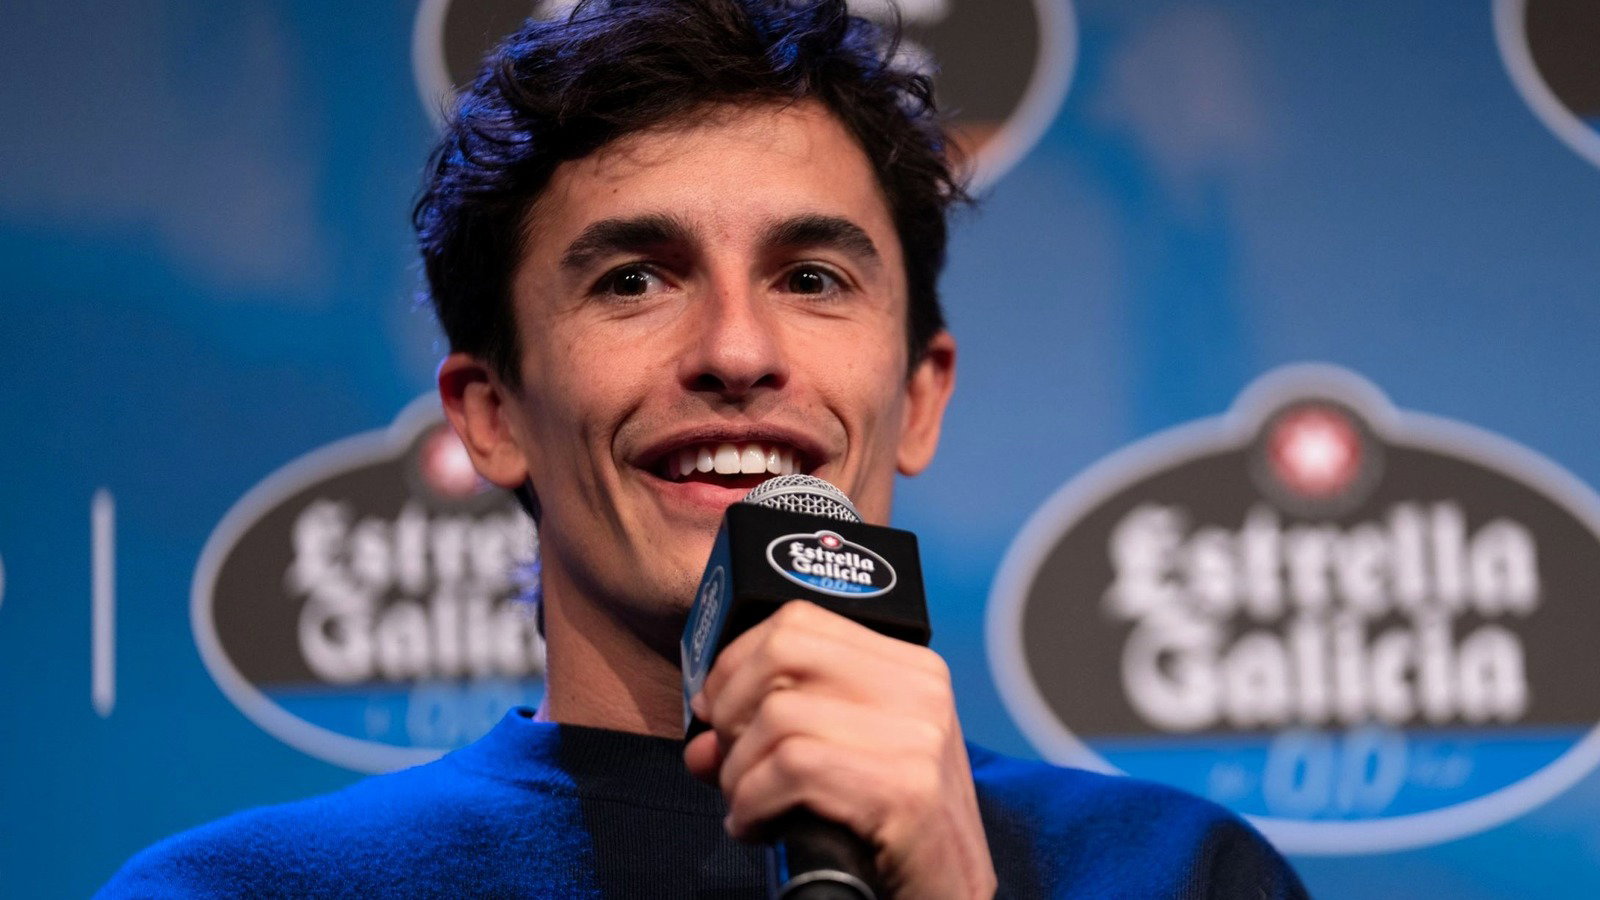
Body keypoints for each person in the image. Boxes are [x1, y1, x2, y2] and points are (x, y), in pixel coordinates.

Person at [102, 1, 1308, 896]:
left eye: (811, 277)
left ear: (919, 396)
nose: (736, 350)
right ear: (490, 414)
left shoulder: (1174, 874)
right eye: (634, 279)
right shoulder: (232, 894)